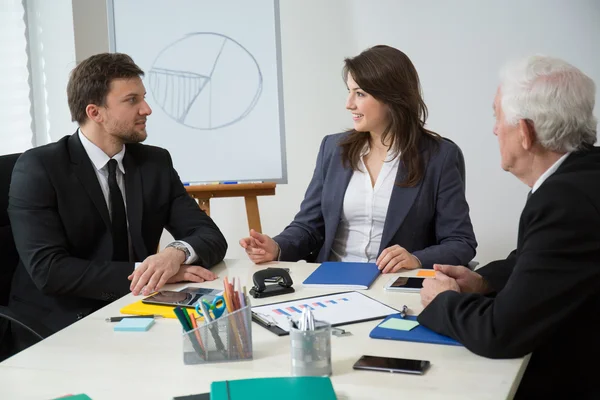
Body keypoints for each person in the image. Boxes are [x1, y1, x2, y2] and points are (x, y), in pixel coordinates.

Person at [8, 53, 228, 340]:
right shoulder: (39, 168)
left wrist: (174, 255)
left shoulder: (155, 163)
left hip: (135, 309)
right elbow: (49, 270)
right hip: (59, 323)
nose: (146, 109)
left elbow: (209, 235)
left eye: (143, 98)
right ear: (95, 112)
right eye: (132, 100)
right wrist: (149, 273)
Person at [418, 55, 600, 398]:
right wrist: (485, 281)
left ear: (526, 133)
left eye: (497, 116)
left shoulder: (565, 201)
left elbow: (500, 333)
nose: (495, 129)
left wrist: (442, 301)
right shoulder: (583, 176)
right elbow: (538, 258)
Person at [240, 45, 476, 271]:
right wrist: (277, 246)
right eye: (349, 92)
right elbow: (309, 226)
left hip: (394, 285)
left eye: (360, 94)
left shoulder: (439, 156)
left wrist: (415, 259)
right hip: (332, 279)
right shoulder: (333, 149)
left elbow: (460, 242)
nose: (348, 104)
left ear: (393, 98)